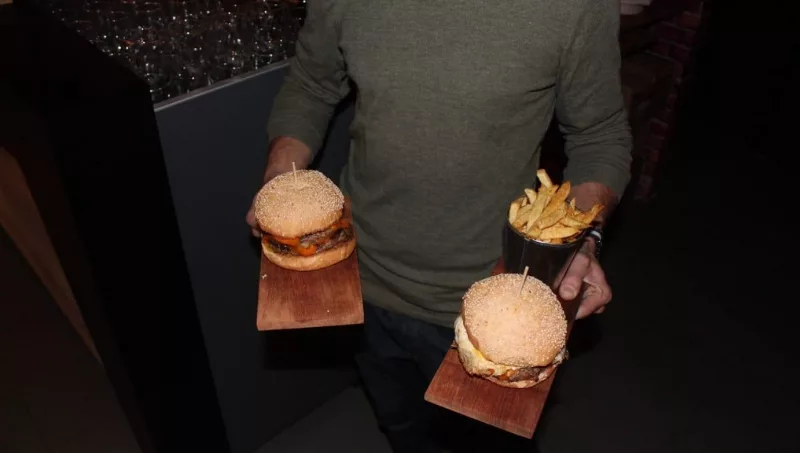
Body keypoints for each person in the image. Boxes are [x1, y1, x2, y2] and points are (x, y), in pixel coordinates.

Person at [247, 0, 632, 451]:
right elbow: (311, 85)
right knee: (402, 427)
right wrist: (279, 181)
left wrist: (582, 240)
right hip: (356, 279)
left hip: (496, 307)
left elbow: (599, 135)